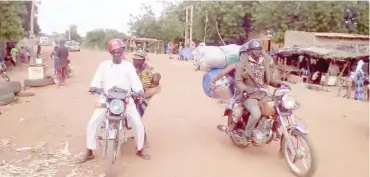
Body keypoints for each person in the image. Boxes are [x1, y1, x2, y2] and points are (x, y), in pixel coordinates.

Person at [78, 39, 150, 163]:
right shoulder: (103, 65)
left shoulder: (128, 66)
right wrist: (94, 88)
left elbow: (135, 82)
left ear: (122, 51)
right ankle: (89, 151)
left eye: (119, 51)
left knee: (138, 123)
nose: (116, 54)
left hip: (125, 100)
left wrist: (139, 90)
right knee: (92, 123)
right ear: (110, 52)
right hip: (107, 100)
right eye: (114, 52)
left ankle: (140, 149)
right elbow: (96, 81)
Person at [228, 39, 286, 139]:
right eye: (255, 49)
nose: (257, 51)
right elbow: (238, 81)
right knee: (256, 113)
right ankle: (246, 136)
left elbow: (269, 80)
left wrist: (281, 84)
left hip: (263, 94)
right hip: (249, 96)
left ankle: (273, 129)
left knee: (280, 108)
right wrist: (246, 89)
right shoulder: (242, 64)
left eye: (259, 49)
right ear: (249, 50)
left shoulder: (264, 63)